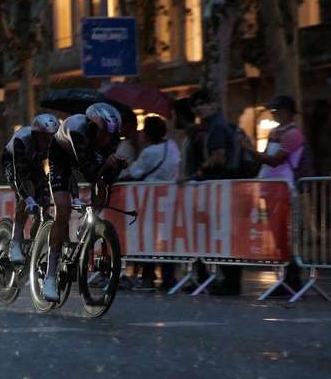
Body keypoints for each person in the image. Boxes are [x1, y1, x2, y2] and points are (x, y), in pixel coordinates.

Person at [44, 103, 126, 301]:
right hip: (62, 156)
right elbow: (89, 172)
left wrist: (116, 168)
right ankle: (50, 275)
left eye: (110, 135)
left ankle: (87, 226)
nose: (106, 139)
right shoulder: (79, 131)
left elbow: (105, 177)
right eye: (103, 134)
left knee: (103, 187)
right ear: (92, 126)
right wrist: (106, 165)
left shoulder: (112, 137)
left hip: (87, 157)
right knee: (63, 211)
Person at [189, 88, 241, 295]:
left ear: (215, 105)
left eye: (204, 103)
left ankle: (230, 282)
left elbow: (219, 156)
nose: (201, 108)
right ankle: (224, 281)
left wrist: (200, 171)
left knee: (223, 235)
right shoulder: (211, 127)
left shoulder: (217, 127)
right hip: (220, 188)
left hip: (222, 187)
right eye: (197, 105)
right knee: (221, 235)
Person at [120, 116, 182, 290]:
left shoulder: (149, 152)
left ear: (148, 133)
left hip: (149, 201)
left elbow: (135, 172)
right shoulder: (172, 146)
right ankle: (169, 278)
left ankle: (147, 276)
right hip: (170, 200)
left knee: (148, 238)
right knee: (168, 240)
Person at [258, 95, 309, 294]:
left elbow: (274, 160)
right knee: (277, 237)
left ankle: (292, 280)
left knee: (284, 236)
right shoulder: (274, 132)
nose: (273, 114)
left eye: (276, 110)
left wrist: (249, 150)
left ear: (287, 111)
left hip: (283, 189)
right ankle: (285, 279)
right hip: (270, 188)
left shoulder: (293, 134)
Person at [2, 113, 60, 264]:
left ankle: (35, 243)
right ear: (35, 135)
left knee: (45, 200)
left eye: (51, 138)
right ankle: (14, 244)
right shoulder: (22, 140)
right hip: (13, 162)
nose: (48, 143)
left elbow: (57, 170)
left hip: (34, 164)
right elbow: (19, 176)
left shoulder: (54, 143)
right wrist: (28, 199)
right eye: (44, 139)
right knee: (27, 191)